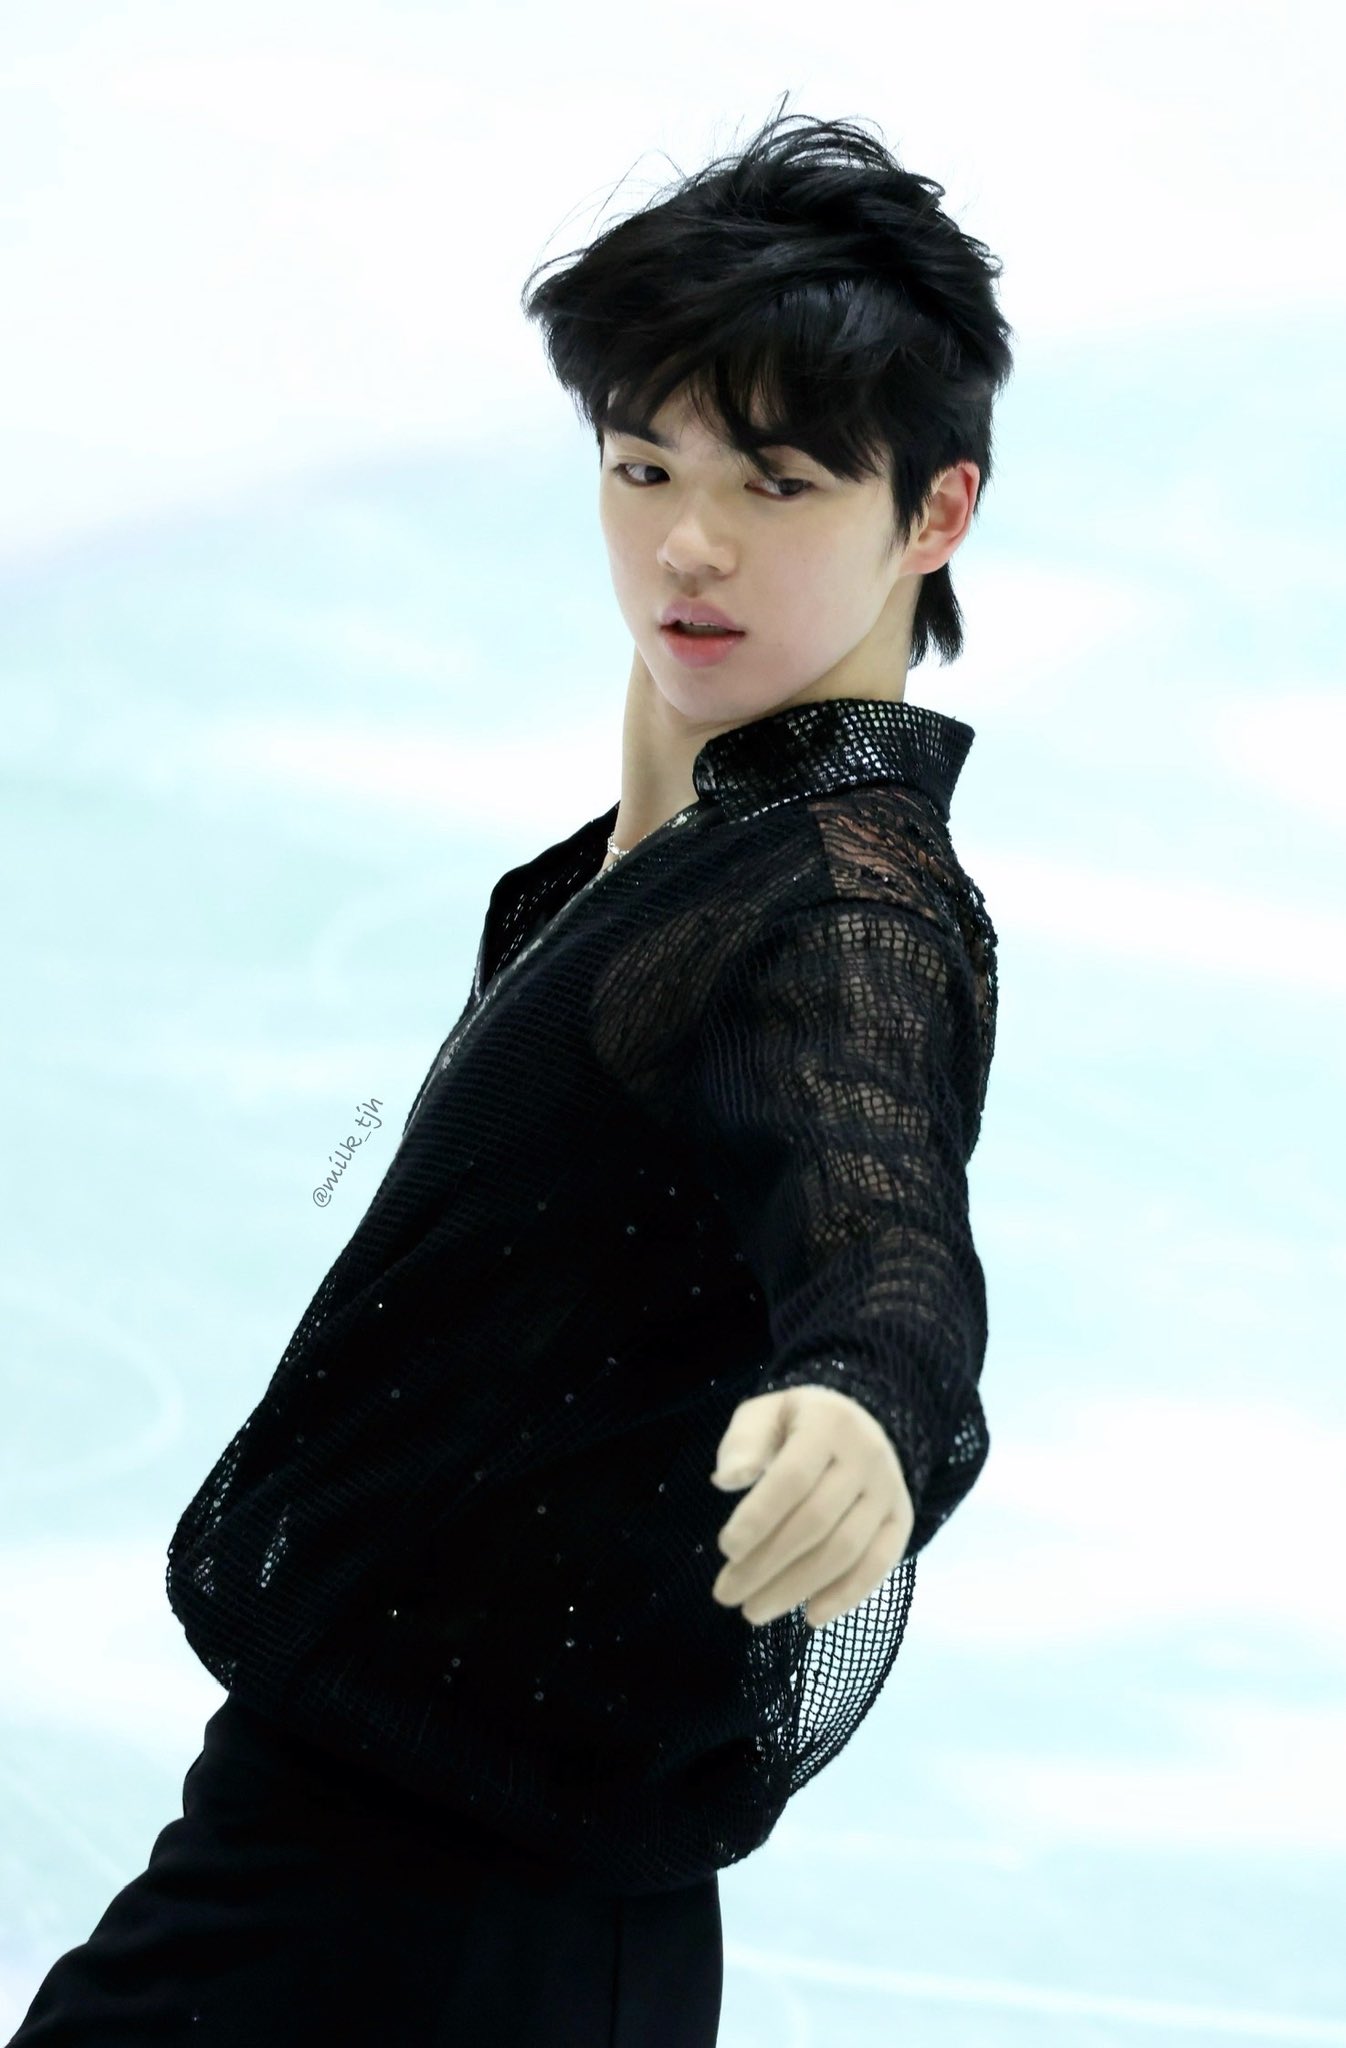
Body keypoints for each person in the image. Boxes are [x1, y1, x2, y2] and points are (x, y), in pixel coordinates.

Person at [7, 94, 1013, 2047]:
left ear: (934, 511)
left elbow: (876, 1189)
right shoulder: (705, 828)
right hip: (434, 1853)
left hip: (417, 1903)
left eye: (778, 483)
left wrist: (871, 1394)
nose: (688, 544)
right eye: (641, 467)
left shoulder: (838, 910)